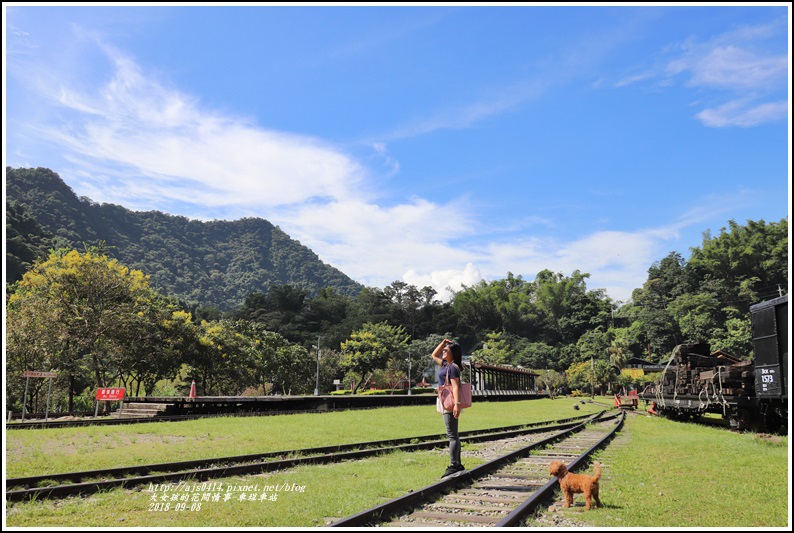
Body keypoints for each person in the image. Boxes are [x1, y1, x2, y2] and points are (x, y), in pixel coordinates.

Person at [432, 338, 465, 478]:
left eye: (446, 350)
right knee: (453, 434)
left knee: (452, 435)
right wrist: (443, 342)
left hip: (450, 403)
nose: (443, 352)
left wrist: (457, 405)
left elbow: (456, 386)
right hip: (446, 401)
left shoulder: (452, 368)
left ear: (453, 354)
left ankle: (454, 465)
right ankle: (457, 463)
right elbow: (434, 355)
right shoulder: (446, 364)